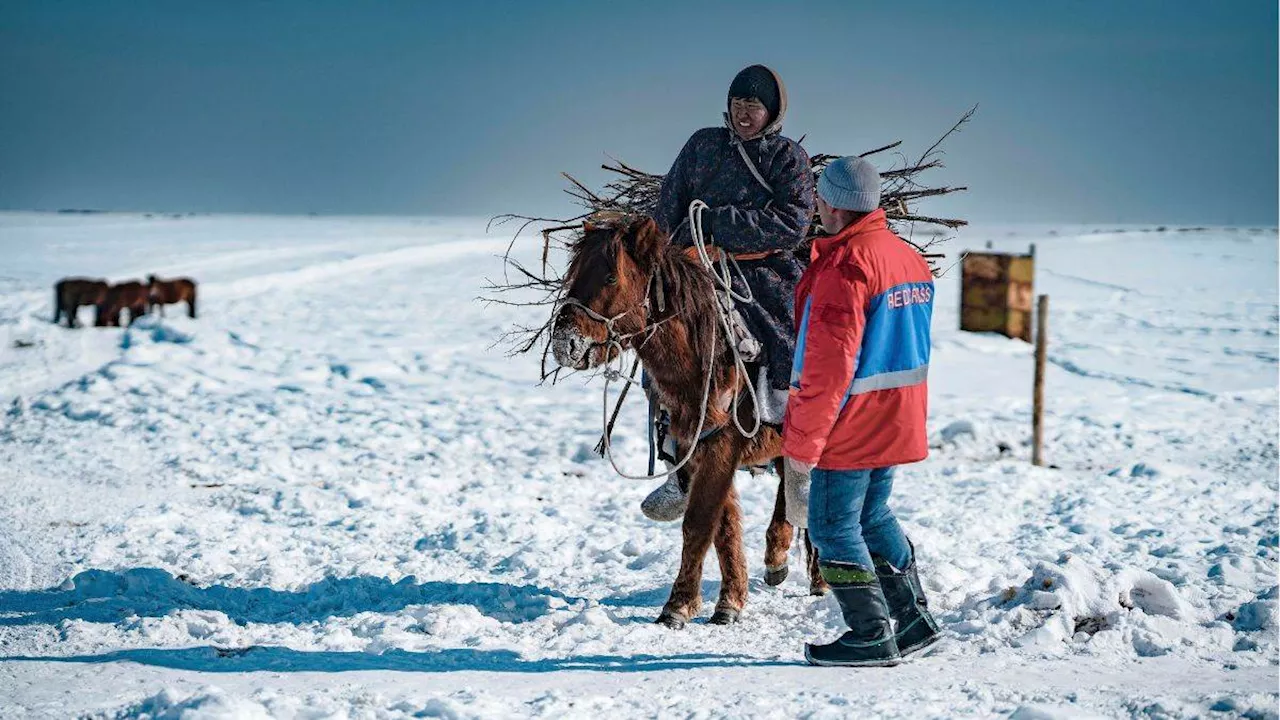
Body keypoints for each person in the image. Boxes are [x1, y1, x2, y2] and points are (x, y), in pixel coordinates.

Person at [781, 156, 940, 666]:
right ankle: (913, 621)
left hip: (853, 417)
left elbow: (827, 368)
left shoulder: (846, 266)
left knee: (831, 526)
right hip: (898, 411)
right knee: (872, 514)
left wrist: (803, 442)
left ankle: (870, 633)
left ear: (829, 203)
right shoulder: (906, 257)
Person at [640, 64, 816, 522]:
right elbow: (669, 204)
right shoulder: (702, 146)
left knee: (790, 344)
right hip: (697, 267)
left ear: (772, 111)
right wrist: (682, 246)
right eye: (738, 104)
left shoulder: (787, 159)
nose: (744, 113)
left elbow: (793, 223)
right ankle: (677, 465)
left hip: (766, 272)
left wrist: (721, 226)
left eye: (754, 106)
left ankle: (797, 458)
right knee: (659, 345)